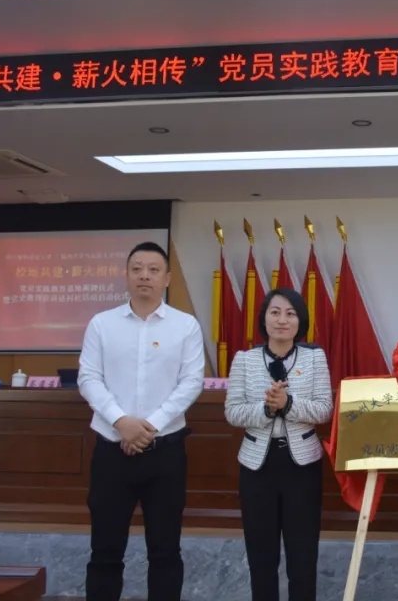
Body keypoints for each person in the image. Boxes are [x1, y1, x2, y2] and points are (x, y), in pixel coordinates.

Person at [77, 241, 205, 601]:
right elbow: (88, 378)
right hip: (111, 451)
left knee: (165, 551)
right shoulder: (102, 324)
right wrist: (121, 421)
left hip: (165, 453)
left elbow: (191, 382)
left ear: (167, 278)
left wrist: (149, 427)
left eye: (153, 270)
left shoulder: (185, 326)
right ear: (126, 275)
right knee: (105, 550)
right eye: (137, 269)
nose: (144, 276)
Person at [225, 287, 334, 601]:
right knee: (261, 556)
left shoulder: (314, 358)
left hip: (302, 466)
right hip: (257, 466)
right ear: (264, 319)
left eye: (290, 313)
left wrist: (288, 404)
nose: (282, 320)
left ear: (301, 321)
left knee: (303, 555)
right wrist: (267, 409)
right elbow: (232, 412)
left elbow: (324, 409)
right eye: (275, 312)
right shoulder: (245, 360)